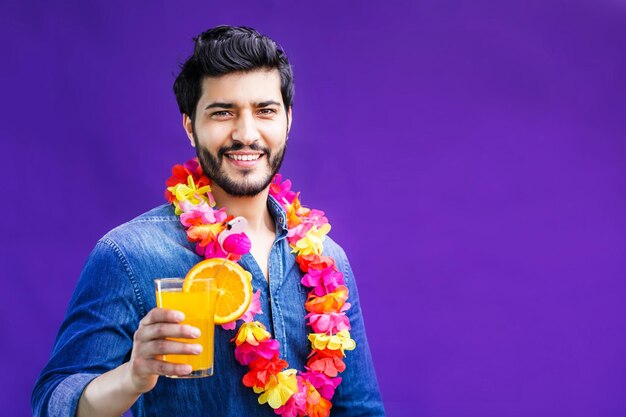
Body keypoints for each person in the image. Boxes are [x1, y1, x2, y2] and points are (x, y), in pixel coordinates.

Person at [32, 25, 385, 417]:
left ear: (288, 120)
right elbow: (52, 404)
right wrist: (131, 377)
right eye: (222, 113)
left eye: (264, 111)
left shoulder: (329, 263)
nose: (246, 134)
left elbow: (361, 410)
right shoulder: (128, 255)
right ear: (189, 126)